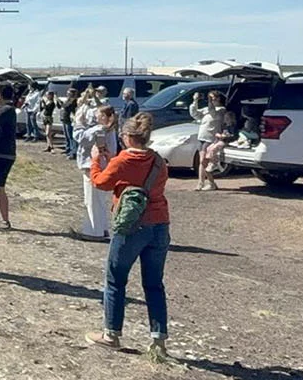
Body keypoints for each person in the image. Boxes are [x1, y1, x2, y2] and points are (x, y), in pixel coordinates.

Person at [86, 113, 172, 357]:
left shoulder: (123, 160)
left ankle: (111, 334)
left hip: (132, 225)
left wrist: (96, 161)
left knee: (115, 278)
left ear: (128, 137)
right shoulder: (157, 160)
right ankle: (159, 341)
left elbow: (100, 182)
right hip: (160, 223)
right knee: (154, 283)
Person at [74, 105, 119, 241]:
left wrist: (78, 122)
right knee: (99, 200)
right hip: (102, 167)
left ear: (104, 117)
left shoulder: (99, 130)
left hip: (93, 167)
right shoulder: (109, 129)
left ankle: (93, 231)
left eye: (98, 114)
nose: (95, 116)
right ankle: (102, 228)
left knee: (92, 200)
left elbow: (80, 137)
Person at [0, 83, 17, 230]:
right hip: (4, 153)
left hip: (1, 154)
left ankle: (5, 220)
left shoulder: (5, 110)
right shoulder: (7, 109)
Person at [190, 89, 231, 192]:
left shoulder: (222, 110)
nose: (212, 100)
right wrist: (195, 101)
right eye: (210, 98)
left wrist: (209, 101)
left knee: (204, 161)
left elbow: (213, 113)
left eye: (213, 98)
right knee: (201, 162)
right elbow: (195, 114)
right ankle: (201, 183)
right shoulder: (207, 109)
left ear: (219, 98)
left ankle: (211, 183)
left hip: (211, 138)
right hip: (202, 137)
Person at [61, 89, 81, 159]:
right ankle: (68, 150)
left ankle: (74, 152)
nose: (67, 95)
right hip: (65, 119)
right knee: (67, 136)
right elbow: (62, 106)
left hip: (70, 120)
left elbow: (67, 107)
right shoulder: (68, 100)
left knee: (72, 137)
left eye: (69, 93)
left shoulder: (74, 101)